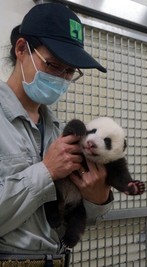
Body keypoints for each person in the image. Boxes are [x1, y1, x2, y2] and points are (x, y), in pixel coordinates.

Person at [0, 3, 112, 266]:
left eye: (70, 71)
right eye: (53, 65)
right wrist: (46, 171)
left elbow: (76, 218)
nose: (62, 78)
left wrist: (97, 199)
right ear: (21, 50)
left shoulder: (56, 129)